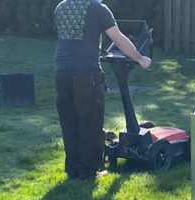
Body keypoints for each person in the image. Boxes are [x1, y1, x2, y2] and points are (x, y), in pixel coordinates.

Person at [54, 0, 152, 179]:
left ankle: (72, 169)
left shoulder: (61, 7)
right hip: (87, 74)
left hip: (62, 73)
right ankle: (88, 172)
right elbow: (119, 40)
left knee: (69, 123)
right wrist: (140, 59)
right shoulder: (97, 8)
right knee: (90, 123)